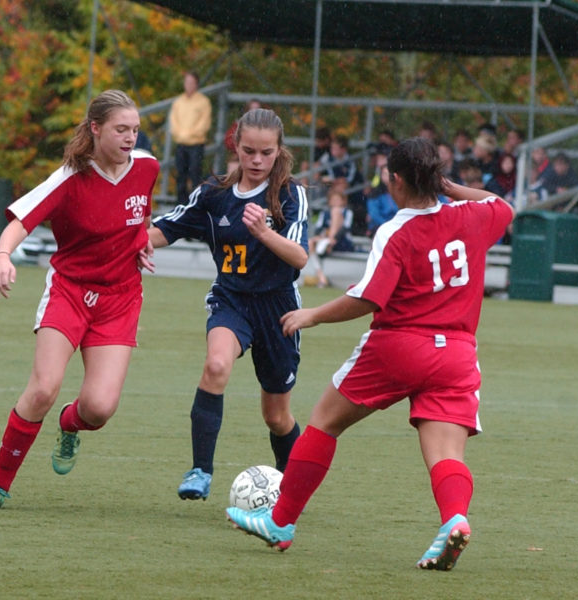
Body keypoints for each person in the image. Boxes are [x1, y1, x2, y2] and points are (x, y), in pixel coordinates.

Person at [226, 137, 515, 572]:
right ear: (436, 178)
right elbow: (502, 206)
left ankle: (281, 522)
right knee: (446, 455)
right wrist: (452, 189)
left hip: (398, 347)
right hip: (455, 352)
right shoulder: (471, 215)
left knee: (324, 421)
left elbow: (368, 298)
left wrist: (313, 315)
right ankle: (454, 520)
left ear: (394, 179)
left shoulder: (396, 229)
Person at [0, 90, 159, 510]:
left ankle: (69, 425)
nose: (130, 138)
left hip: (120, 299)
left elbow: (140, 211)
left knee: (99, 408)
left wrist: (141, 240)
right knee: (42, 390)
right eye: (121, 129)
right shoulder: (70, 177)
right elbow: (21, 221)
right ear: (95, 128)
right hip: (70, 293)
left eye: (136, 130)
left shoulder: (147, 167)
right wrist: (2, 256)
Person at [142, 108, 308, 501]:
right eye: (248, 150)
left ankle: (295, 489)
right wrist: (125, 246)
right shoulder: (213, 195)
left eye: (266, 153)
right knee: (216, 365)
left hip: (279, 309)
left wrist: (263, 232)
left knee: (277, 417)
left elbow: (300, 258)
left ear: (279, 151)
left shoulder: (289, 195)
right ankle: (200, 470)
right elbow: (168, 227)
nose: (256, 160)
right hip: (231, 300)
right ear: (235, 146)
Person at [169, 71, 212, 204]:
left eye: (191, 83)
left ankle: (195, 203)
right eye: (187, 82)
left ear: (196, 84)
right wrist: (180, 133)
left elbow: (204, 124)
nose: (188, 85)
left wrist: (188, 134)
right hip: (181, 144)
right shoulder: (178, 102)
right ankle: (180, 204)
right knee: (180, 175)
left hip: (196, 144)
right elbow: (173, 121)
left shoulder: (204, 102)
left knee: (195, 175)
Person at [306, 186, 355, 288]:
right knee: (310, 242)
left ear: (343, 201)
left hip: (342, 241)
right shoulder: (324, 213)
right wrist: (322, 236)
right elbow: (318, 229)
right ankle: (322, 278)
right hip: (326, 240)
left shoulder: (347, 212)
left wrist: (334, 238)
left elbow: (346, 228)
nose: (336, 202)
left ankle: (328, 242)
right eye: (333, 200)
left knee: (336, 211)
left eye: (338, 200)